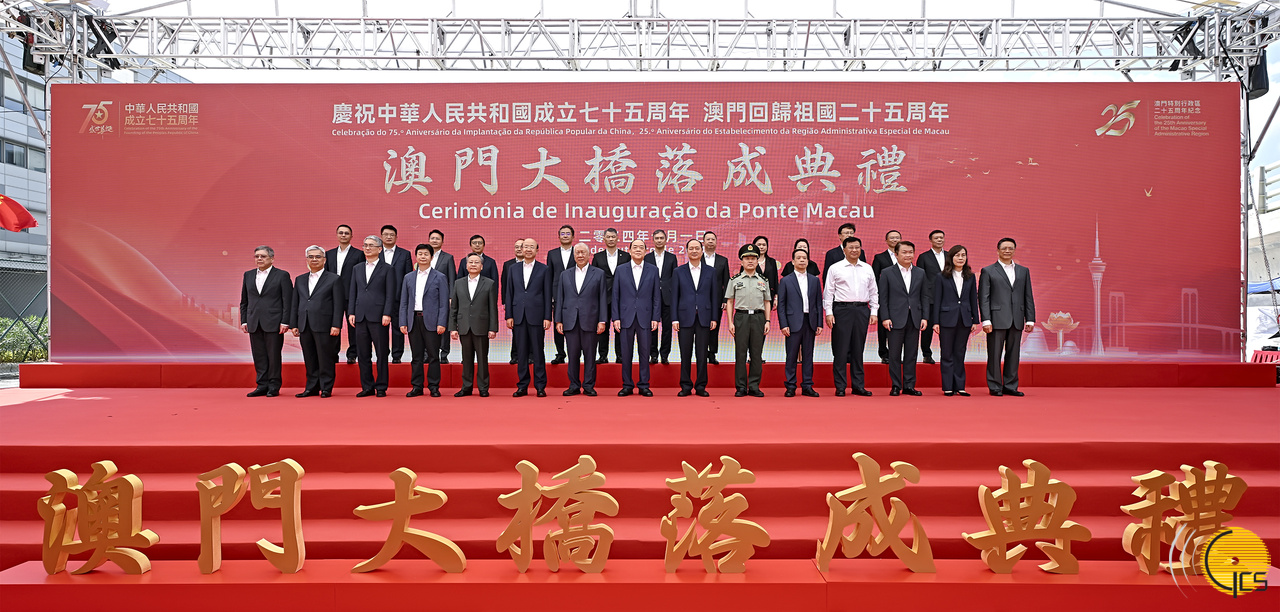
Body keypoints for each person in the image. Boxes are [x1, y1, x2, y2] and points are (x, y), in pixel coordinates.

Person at [979, 237, 1036, 397]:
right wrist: (986, 319)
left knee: (1013, 354)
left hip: (1017, 318)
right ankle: (995, 386)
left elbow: (1028, 296)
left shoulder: (1023, 271)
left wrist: (1030, 318)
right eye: (1004, 248)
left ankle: (1011, 386)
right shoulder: (988, 270)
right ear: (997, 250)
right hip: (996, 319)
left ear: (1014, 250)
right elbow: (984, 297)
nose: (1007, 251)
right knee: (994, 354)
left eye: (1010, 248)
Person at [823, 236, 878, 397]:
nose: (855, 250)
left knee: (858, 349)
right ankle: (840, 386)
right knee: (840, 350)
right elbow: (829, 293)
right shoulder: (835, 268)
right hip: (842, 310)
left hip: (862, 310)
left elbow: (874, 291)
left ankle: (858, 385)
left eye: (857, 247)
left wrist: (874, 311)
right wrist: (829, 313)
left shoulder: (867, 268)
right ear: (844, 249)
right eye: (851, 247)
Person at [879, 240, 930, 396]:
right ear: (896, 254)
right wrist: (885, 317)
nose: (908, 255)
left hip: (914, 318)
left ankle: (909, 385)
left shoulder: (920, 272)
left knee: (911, 353)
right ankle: (896, 385)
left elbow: (925, 296)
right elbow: (883, 298)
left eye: (910, 252)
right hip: (894, 319)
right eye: (904, 252)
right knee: (894, 354)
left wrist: (925, 317)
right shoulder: (887, 272)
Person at [290, 246, 343, 398]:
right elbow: (296, 303)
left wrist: (336, 324)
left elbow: (338, 305)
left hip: (325, 325)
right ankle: (311, 387)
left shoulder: (334, 279)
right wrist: (294, 324)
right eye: (311, 257)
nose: (314, 259)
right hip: (305, 324)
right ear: (307, 259)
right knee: (310, 357)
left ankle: (326, 387)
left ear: (324, 260)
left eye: (318, 257)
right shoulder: (300, 279)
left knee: (325, 357)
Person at [240, 246, 292, 397]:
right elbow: (244, 300)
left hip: (274, 322)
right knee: (259, 355)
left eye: (263, 256)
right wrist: (244, 320)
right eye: (257, 256)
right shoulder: (248, 275)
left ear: (272, 258)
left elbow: (287, 301)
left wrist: (285, 321)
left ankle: (274, 386)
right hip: (253, 321)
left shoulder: (282, 275)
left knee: (273, 355)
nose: (259, 259)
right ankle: (262, 385)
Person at [556, 243, 607, 397]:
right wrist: (558, 320)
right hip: (570, 320)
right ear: (573, 255)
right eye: (577, 252)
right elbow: (560, 298)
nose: (580, 255)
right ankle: (573, 385)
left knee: (590, 355)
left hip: (591, 320)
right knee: (572, 355)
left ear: (589, 254)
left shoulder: (598, 273)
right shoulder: (565, 274)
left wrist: (602, 320)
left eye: (583, 252)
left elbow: (603, 298)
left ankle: (589, 385)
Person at [399, 244, 450, 398]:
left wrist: (442, 322)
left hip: (432, 322)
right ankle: (417, 386)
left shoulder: (440, 277)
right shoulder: (408, 277)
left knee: (434, 355)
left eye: (426, 254)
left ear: (431, 257)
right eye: (420, 254)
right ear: (416, 256)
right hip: (414, 320)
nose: (422, 256)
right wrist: (403, 321)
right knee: (416, 356)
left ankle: (434, 386)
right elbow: (404, 302)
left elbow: (443, 303)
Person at [349, 235, 396, 397]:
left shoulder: (388, 268)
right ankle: (367, 386)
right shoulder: (357, 268)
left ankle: (381, 386)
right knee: (363, 353)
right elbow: (353, 292)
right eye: (365, 245)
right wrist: (351, 312)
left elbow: (390, 294)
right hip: (360, 316)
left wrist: (387, 313)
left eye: (371, 245)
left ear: (379, 249)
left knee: (381, 353)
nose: (367, 248)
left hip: (379, 316)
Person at [613, 239, 661, 397]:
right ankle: (627, 384)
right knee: (626, 353)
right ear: (629, 250)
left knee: (644, 352)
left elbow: (656, 296)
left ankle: (644, 384)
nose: (638, 250)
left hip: (646, 317)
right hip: (625, 317)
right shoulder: (620, 270)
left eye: (641, 247)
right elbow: (615, 296)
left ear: (646, 251)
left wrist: (655, 317)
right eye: (635, 247)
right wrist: (616, 318)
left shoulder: (653, 270)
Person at [671, 238, 718, 397]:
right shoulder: (679, 271)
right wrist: (674, 318)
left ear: (702, 250)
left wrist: (714, 317)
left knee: (702, 353)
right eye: (691, 248)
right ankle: (685, 385)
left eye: (697, 248)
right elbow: (674, 297)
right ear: (687, 251)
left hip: (704, 317)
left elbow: (714, 296)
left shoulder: (711, 271)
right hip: (684, 318)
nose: (694, 251)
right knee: (685, 353)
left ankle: (700, 386)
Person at [505, 238, 552, 397]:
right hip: (518, 316)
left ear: (537, 250)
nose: (528, 249)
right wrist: (509, 315)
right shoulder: (513, 269)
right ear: (521, 249)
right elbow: (509, 293)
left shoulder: (544, 269)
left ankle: (540, 386)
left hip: (537, 316)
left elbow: (547, 294)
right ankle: (522, 386)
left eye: (532, 247)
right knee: (521, 352)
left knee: (538, 351)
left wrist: (547, 316)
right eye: (526, 247)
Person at [932, 245, 980, 396]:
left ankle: (960, 386)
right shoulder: (941, 276)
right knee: (947, 353)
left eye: (963, 255)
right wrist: (936, 321)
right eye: (957, 255)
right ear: (951, 258)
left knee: (960, 353)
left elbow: (974, 299)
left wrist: (975, 320)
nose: (961, 258)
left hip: (965, 319)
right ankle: (947, 386)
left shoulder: (970, 276)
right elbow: (937, 300)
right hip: (946, 319)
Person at [725, 244, 771, 397]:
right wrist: (730, 322)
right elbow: (730, 301)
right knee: (740, 353)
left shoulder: (764, 280)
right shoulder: (734, 280)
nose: (750, 261)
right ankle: (740, 387)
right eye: (747, 259)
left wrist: (768, 321)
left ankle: (754, 386)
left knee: (756, 354)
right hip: (741, 318)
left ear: (758, 261)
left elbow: (767, 302)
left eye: (753, 258)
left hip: (758, 318)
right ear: (741, 262)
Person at [450, 253, 499, 397]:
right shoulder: (458, 283)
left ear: (481, 266)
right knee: (466, 358)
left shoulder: (489, 283)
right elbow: (454, 308)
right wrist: (453, 327)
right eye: (470, 262)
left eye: (476, 262)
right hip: (464, 325)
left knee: (482, 359)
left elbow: (492, 307)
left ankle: (483, 387)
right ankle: (467, 387)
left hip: (482, 326)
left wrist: (493, 328)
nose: (473, 264)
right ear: (466, 266)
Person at [777, 248, 822, 397]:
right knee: (791, 355)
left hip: (810, 322)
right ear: (793, 261)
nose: (802, 260)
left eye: (804, 258)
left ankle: (807, 385)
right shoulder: (785, 280)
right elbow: (781, 305)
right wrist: (783, 324)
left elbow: (818, 304)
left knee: (808, 355)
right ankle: (790, 385)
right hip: (792, 323)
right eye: (799, 258)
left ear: (808, 261)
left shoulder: (815, 280)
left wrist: (819, 323)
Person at [325, 224, 360, 364]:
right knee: (333, 325)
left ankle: (352, 354)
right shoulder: (329, 254)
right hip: (332, 296)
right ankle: (333, 354)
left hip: (350, 295)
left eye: (346, 233)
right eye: (341, 233)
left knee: (353, 326)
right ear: (337, 235)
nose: (343, 235)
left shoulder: (358, 254)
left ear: (351, 236)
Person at [380, 225, 413, 364]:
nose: (388, 237)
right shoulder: (375, 253)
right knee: (380, 328)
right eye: (386, 234)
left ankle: (397, 355)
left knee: (397, 328)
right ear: (381, 236)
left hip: (399, 297)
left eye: (391, 234)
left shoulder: (404, 254)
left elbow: (409, 276)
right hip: (379, 298)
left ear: (396, 237)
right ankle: (382, 354)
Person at [591, 228, 624, 364]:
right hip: (603, 297)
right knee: (602, 328)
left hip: (622, 298)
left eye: (613, 237)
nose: (611, 239)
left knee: (620, 328)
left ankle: (620, 356)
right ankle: (603, 355)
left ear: (618, 239)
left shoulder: (626, 256)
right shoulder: (597, 257)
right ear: (603, 239)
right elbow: (592, 277)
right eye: (608, 237)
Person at [915, 229, 947, 365]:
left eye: (941, 238)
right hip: (930, 297)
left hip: (947, 297)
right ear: (931, 240)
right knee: (927, 328)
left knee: (946, 327)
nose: (939, 240)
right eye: (936, 238)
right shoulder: (924, 257)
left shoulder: (950, 255)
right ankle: (926, 354)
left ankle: (946, 353)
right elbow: (919, 277)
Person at [645, 229, 677, 365]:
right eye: (656, 238)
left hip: (667, 297)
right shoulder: (647, 258)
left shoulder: (672, 257)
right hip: (650, 298)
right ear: (653, 240)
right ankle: (653, 354)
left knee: (667, 329)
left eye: (661, 238)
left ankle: (664, 355)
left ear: (666, 240)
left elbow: (675, 278)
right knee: (652, 328)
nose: (659, 240)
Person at [547, 224, 577, 365]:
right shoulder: (552, 253)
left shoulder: (578, 252)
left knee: (574, 324)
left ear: (573, 236)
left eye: (568, 233)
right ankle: (560, 353)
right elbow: (549, 275)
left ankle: (574, 353)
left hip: (575, 294)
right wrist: (551, 295)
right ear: (558, 236)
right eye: (563, 233)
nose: (565, 236)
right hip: (557, 294)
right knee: (558, 324)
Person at [871, 229, 902, 364]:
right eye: (892, 238)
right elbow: (874, 278)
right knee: (884, 327)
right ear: (886, 241)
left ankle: (897, 354)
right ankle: (884, 353)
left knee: (900, 326)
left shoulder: (905, 256)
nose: (895, 240)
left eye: (897, 237)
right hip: (884, 297)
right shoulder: (880, 257)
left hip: (901, 298)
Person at [426, 230, 457, 364]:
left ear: (442, 242)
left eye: (437, 239)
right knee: (427, 325)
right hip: (426, 298)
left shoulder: (448, 257)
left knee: (443, 325)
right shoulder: (424, 255)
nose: (434, 241)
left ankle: (444, 354)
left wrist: (451, 297)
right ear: (428, 240)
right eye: (432, 238)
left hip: (443, 298)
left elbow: (452, 278)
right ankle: (427, 353)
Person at [701, 231, 731, 365]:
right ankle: (701, 353)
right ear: (703, 242)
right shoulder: (697, 258)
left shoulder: (722, 260)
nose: (711, 241)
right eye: (708, 239)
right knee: (701, 327)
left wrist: (725, 300)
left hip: (717, 300)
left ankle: (712, 353)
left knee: (715, 327)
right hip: (700, 299)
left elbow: (727, 282)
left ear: (716, 242)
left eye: (713, 239)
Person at [501, 239, 526, 365]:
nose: (519, 249)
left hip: (529, 305)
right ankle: (515, 355)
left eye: (522, 246)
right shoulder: (508, 265)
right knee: (516, 332)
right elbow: (505, 285)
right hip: (514, 304)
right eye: (516, 247)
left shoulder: (534, 265)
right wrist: (506, 303)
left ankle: (530, 355)